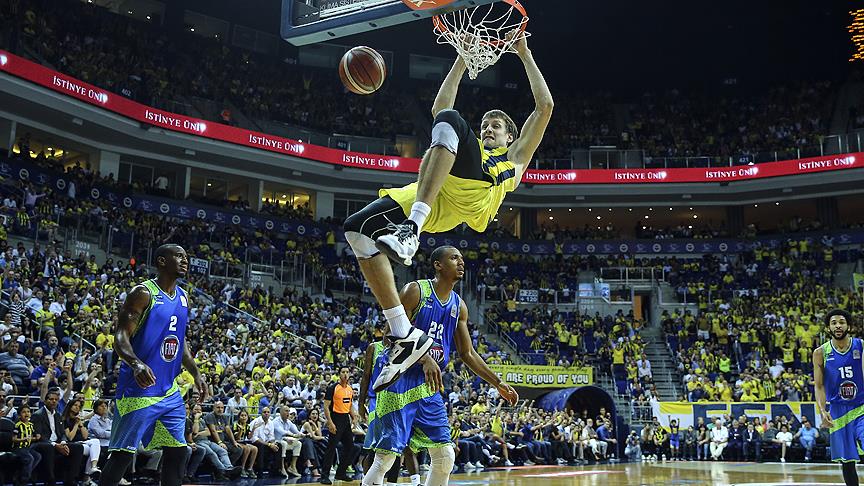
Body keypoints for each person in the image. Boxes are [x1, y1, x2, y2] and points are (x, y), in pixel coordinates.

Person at [342, 32, 553, 391]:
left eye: (496, 126)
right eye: (485, 125)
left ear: (510, 137)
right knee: (356, 229)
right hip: (435, 193)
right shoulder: (469, 145)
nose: (487, 128)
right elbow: (439, 110)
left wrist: (524, 53)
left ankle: (411, 229)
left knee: (451, 119)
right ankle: (404, 334)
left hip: (475, 193)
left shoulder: (515, 156)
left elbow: (544, 107)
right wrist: (461, 58)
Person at [362, 246, 518, 486]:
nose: (461, 262)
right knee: (386, 458)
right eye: (454, 258)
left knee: (445, 457)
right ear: (438, 265)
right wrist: (424, 357)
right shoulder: (415, 291)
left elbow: (468, 353)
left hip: (428, 386)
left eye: (462, 258)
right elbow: (389, 334)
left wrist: (498, 383)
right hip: (398, 380)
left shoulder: (459, 306)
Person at [99, 244, 208, 486]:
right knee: (122, 455)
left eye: (186, 257)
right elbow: (120, 336)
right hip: (138, 389)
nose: (185, 261)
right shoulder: (143, 293)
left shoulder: (183, 296)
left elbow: (180, 340)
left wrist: (196, 373)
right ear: (161, 261)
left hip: (169, 390)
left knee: (178, 451)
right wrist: (136, 363)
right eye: (178, 256)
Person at [815, 308, 863, 484]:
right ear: (828, 328)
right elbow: (819, 386)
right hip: (838, 411)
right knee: (847, 462)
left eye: (842, 322)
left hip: (861, 406)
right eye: (834, 323)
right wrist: (823, 411)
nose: (838, 326)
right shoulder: (820, 352)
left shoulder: (861, 345)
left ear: (848, 326)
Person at [31, 387, 85, 486]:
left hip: (57, 443)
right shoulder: (37, 415)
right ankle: (50, 480)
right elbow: (39, 435)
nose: (54, 401)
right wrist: (55, 445)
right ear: (45, 401)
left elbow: (62, 434)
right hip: (42, 444)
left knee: (78, 447)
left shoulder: (58, 415)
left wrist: (63, 443)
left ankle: (71, 480)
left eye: (56, 400)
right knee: (49, 447)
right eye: (51, 399)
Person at [320, 366, 357, 484]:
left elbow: (349, 405)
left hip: (345, 419)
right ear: (339, 374)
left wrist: (354, 417)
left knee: (350, 446)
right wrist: (330, 422)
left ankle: (340, 473)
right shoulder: (333, 388)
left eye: (347, 372)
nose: (345, 374)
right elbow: (326, 407)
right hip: (335, 418)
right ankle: (324, 475)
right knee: (331, 448)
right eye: (343, 372)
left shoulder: (350, 389)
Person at [11, 403, 42, 486]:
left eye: (28, 411)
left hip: (27, 448)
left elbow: (33, 437)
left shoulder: (31, 425)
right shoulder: (17, 425)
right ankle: (23, 480)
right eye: (23, 412)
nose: (26, 413)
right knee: (30, 458)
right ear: (19, 415)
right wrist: (23, 439)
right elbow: (13, 439)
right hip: (18, 448)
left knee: (38, 456)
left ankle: (20, 474)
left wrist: (37, 437)